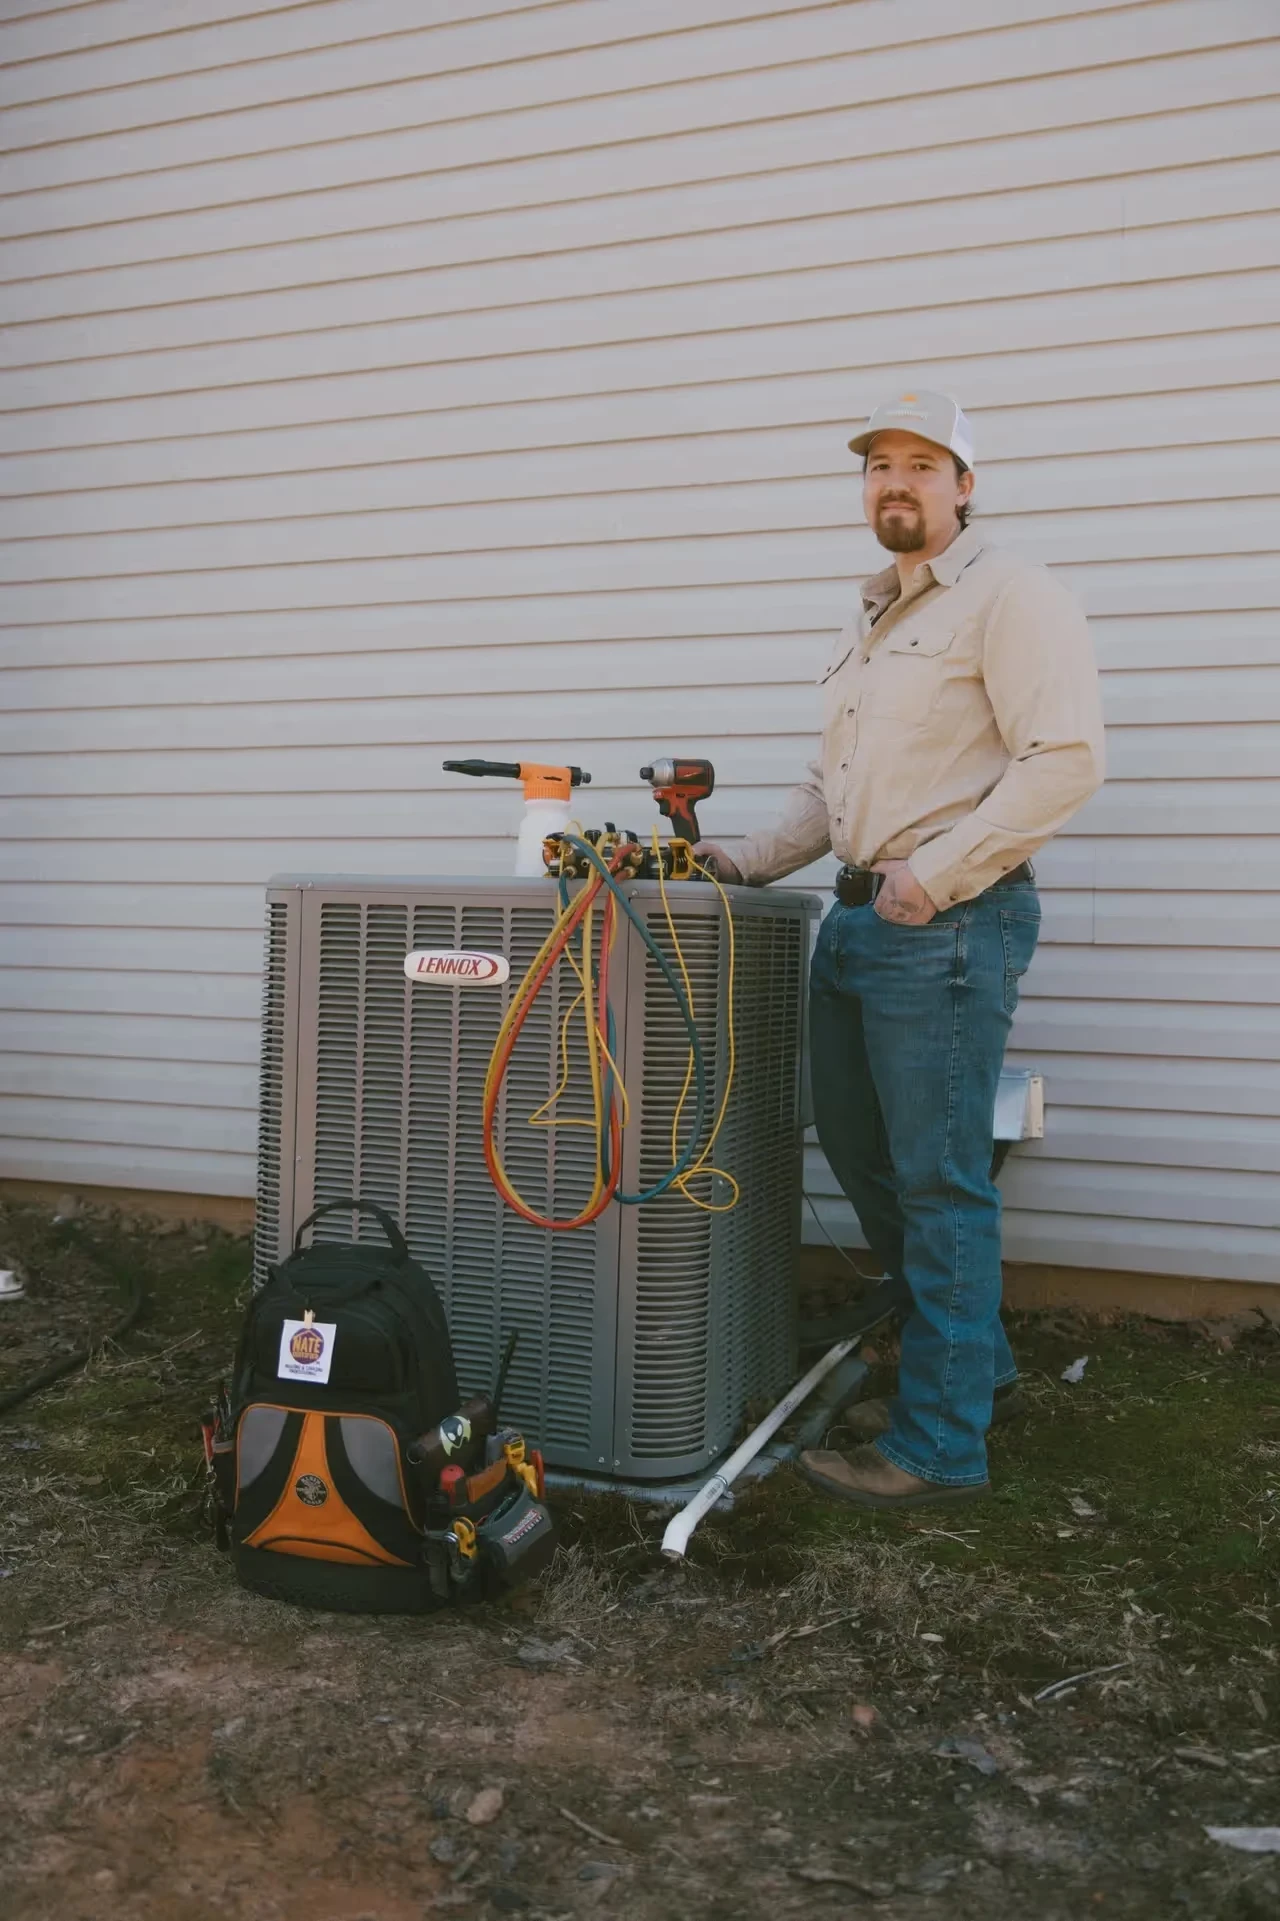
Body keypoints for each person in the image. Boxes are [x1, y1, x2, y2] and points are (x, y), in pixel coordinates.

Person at [698, 391, 1105, 1509]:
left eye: (922, 465)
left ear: (962, 486)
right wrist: (737, 861)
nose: (895, 482)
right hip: (857, 922)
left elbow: (1063, 759)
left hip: (946, 922)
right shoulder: (868, 622)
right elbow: (830, 794)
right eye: (878, 464)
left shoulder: (1008, 599)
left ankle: (935, 1447)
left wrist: (933, 877)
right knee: (869, 1161)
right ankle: (970, 1373)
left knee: (935, 1182)